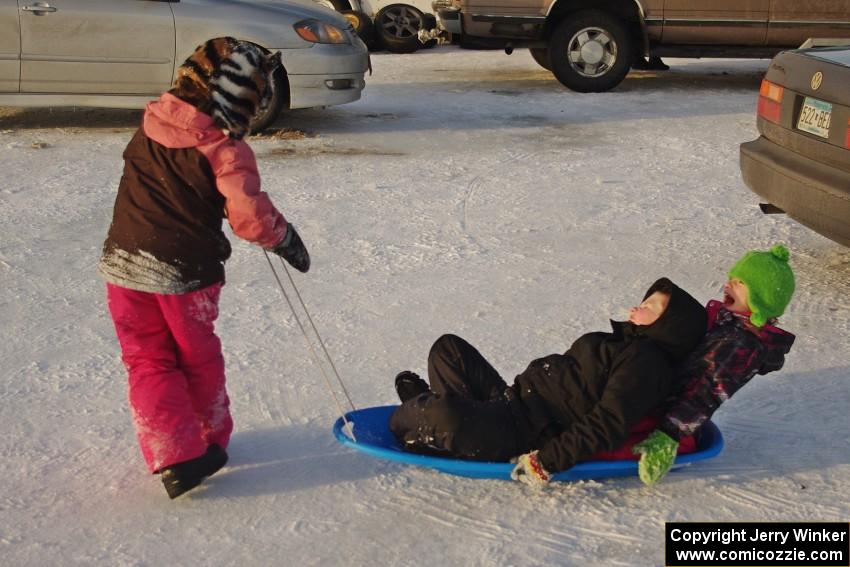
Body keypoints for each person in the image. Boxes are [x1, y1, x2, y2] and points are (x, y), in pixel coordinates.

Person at [97, 38, 311, 499]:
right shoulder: (223, 150)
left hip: (122, 264)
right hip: (183, 273)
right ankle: (206, 442)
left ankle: (174, 454)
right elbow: (250, 218)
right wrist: (285, 238)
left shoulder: (151, 123)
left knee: (146, 358)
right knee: (195, 357)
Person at [389, 278, 708, 486]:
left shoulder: (647, 364)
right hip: (510, 401)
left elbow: (608, 422)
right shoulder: (625, 344)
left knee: (444, 417)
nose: (640, 305)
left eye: (652, 306)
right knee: (448, 350)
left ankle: (423, 417)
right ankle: (436, 412)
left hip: (521, 434)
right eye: (647, 299)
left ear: (670, 326)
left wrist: (547, 462)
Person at [635, 245, 796, 486]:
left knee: (609, 433)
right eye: (730, 278)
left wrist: (668, 435)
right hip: (664, 400)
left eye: (739, 282)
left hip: (671, 421)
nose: (727, 285)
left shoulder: (741, 344)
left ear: (760, 300)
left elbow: (707, 390)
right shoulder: (727, 323)